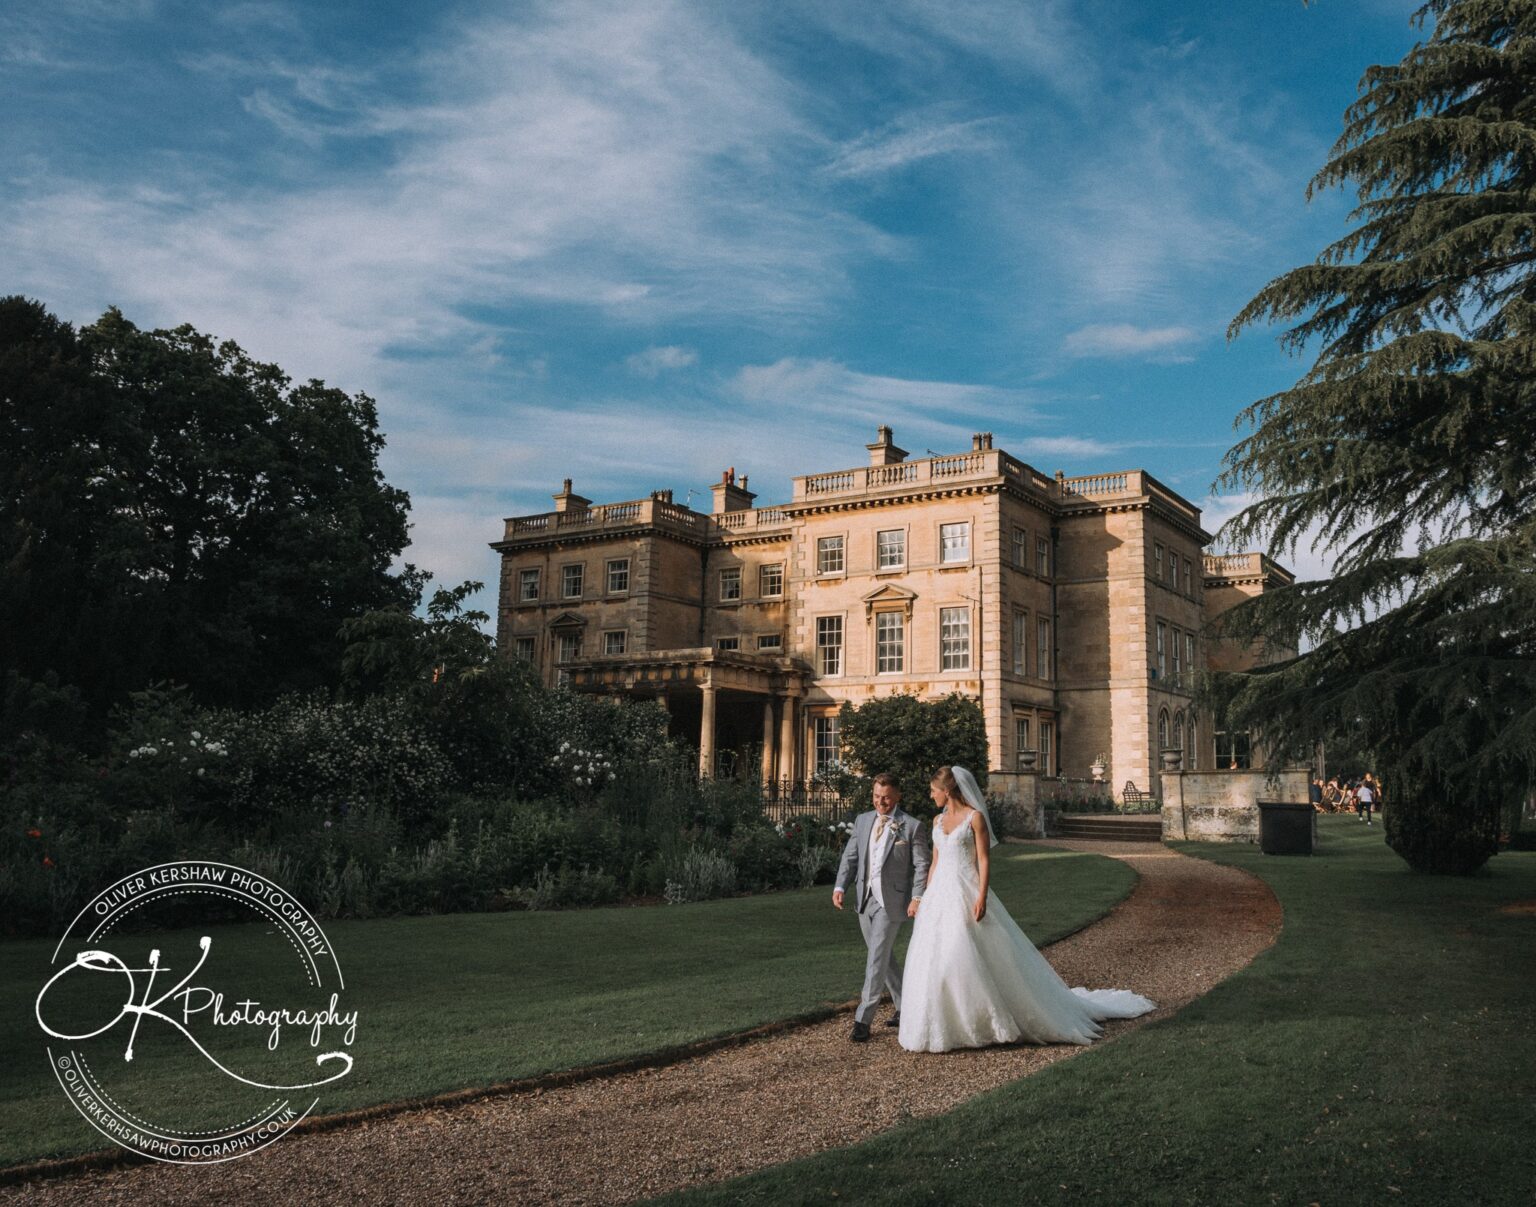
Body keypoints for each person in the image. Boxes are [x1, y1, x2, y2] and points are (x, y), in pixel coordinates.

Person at [898, 766, 1155, 1053]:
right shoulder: (937, 820)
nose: (930, 795)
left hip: (965, 890)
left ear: (947, 791)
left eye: (933, 790)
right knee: (936, 956)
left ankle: (984, 1021)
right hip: (939, 895)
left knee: (963, 951)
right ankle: (945, 1023)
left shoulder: (974, 818)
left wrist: (981, 896)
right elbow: (935, 862)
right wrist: (926, 896)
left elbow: (983, 860)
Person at [832, 772, 932, 1042]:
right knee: (883, 957)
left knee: (876, 959)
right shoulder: (863, 820)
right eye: (876, 796)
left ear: (898, 796)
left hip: (892, 902)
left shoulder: (912, 826)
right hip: (865, 900)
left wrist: (917, 897)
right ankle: (904, 1006)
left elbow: (922, 864)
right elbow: (851, 856)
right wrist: (840, 887)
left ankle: (862, 1020)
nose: (880, 802)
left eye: (886, 797)